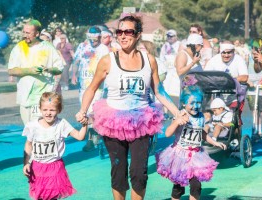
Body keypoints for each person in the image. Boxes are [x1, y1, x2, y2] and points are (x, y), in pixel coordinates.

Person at [75, 15, 188, 200]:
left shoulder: (149, 60)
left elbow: (159, 91)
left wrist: (177, 113)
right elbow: (92, 88)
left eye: (128, 31)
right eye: (120, 32)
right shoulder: (107, 60)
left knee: (139, 172)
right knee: (118, 170)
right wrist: (83, 110)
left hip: (141, 120)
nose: (123, 36)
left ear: (138, 35)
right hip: (113, 121)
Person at [156, 85, 226, 200]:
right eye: (192, 103)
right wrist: (176, 122)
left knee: (196, 185)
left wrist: (214, 142)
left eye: (198, 103)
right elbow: (168, 133)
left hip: (196, 156)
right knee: (178, 186)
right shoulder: (181, 115)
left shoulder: (201, 116)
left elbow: (202, 133)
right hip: (180, 156)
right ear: (184, 103)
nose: (196, 106)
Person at [22, 92, 88, 200]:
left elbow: (80, 137)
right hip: (37, 168)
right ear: (40, 109)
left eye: (52, 110)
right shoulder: (33, 126)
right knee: (39, 196)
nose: (48, 113)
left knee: (53, 196)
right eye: (45, 110)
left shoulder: (62, 124)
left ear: (58, 110)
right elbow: (28, 145)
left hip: (55, 168)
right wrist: (26, 163)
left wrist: (84, 124)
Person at [8, 19, 63, 124]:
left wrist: (49, 69)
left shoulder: (48, 47)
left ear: (37, 33)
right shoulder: (19, 47)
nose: (25, 35)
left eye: (28, 33)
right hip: (25, 97)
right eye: (24, 32)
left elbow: (59, 68)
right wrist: (30, 71)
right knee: (29, 129)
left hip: (43, 97)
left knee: (42, 128)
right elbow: (11, 70)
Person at [72, 26, 109, 154]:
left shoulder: (104, 49)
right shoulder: (82, 46)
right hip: (84, 86)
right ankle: (93, 138)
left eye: (97, 38)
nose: (94, 41)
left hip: (98, 88)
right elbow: (76, 62)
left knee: (94, 114)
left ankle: (92, 140)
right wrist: (73, 75)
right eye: (91, 39)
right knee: (85, 114)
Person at [204, 41, 249, 125]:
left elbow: (244, 77)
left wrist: (229, 80)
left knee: (235, 118)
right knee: (217, 116)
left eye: (229, 52)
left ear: (233, 52)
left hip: (236, 94)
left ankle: (236, 136)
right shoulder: (214, 60)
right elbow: (206, 76)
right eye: (223, 53)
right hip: (219, 93)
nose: (226, 55)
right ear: (220, 52)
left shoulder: (239, 59)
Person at [160, 29, 182, 107]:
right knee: (166, 92)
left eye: (171, 36)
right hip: (168, 72)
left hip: (176, 72)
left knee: (176, 92)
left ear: (176, 37)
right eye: (168, 36)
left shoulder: (180, 45)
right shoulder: (165, 46)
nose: (169, 38)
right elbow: (162, 59)